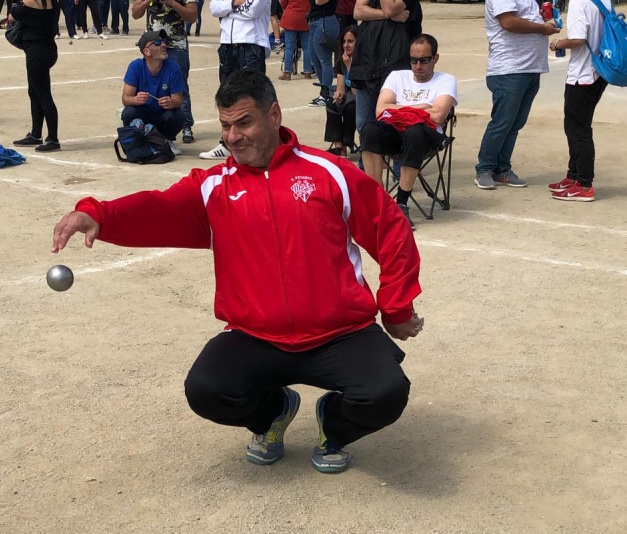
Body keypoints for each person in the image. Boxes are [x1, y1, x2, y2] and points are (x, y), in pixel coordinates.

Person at [51, 69, 422, 474]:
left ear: (274, 115)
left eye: (244, 122)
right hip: (256, 335)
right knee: (206, 390)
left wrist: (396, 307)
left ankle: (333, 424)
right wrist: (97, 215)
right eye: (226, 125)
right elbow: (157, 209)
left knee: (386, 393)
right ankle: (274, 411)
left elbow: (391, 229)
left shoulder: (330, 173)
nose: (232, 136)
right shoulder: (213, 188)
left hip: (338, 333)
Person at [360, 34, 457, 230]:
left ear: (435, 58)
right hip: (395, 131)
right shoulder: (397, 76)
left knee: (415, 132)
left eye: (424, 60)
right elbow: (380, 110)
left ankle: (401, 203)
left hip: (427, 135)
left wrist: (399, 109)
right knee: (369, 129)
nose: (418, 66)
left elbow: (438, 116)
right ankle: (379, 201)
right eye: (413, 60)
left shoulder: (446, 80)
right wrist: (422, 107)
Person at [473, 0, 560, 190]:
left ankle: (502, 169)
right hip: (509, 69)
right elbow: (508, 22)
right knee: (502, 122)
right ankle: (484, 169)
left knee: (514, 124)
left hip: (531, 67)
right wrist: (542, 29)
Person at [547, 0, 610, 202]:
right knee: (574, 126)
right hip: (599, 71)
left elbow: (578, 39)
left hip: (582, 75)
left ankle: (584, 184)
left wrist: (557, 43)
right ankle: (573, 176)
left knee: (578, 130)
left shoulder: (578, 2)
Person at [351, 0, 422, 167]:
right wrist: (384, 15)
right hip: (367, 64)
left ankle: (400, 172)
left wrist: (380, 13)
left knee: (397, 121)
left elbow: (390, 8)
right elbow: (358, 12)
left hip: (396, 65)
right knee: (364, 123)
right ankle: (367, 169)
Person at [199, 0, 271, 160]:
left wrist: (227, 9)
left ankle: (261, 142)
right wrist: (234, 3)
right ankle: (227, 144)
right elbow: (214, 8)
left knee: (255, 97)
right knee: (226, 96)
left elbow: (253, 11)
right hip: (227, 44)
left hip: (251, 43)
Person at [131, 0, 198, 144]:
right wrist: (146, 2)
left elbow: (192, 16)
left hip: (176, 45)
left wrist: (172, 3)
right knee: (151, 84)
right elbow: (135, 14)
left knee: (179, 87)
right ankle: (157, 127)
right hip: (153, 43)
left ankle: (186, 125)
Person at [121, 29, 186, 155]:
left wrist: (171, 103)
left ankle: (166, 140)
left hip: (162, 114)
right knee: (128, 112)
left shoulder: (173, 67)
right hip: (143, 113)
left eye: (163, 42)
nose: (163, 45)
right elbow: (125, 99)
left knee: (178, 116)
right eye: (157, 43)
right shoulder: (136, 66)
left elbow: (178, 100)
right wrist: (136, 99)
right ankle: (141, 139)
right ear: (146, 51)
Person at [10, 0, 61, 152]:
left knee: (44, 96)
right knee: (34, 92)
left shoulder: (27, 4)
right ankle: (36, 133)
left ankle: (53, 138)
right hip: (48, 49)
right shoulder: (53, 3)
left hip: (36, 52)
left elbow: (11, 16)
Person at [324, 25, 360, 158]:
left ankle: (347, 142)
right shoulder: (341, 59)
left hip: (361, 96)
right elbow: (341, 87)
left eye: (350, 41)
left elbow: (358, 92)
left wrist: (350, 66)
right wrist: (338, 95)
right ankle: (339, 147)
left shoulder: (362, 60)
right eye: (344, 41)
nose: (346, 45)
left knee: (351, 107)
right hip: (350, 95)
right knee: (332, 103)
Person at [306, 0, 339, 107]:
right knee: (314, 60)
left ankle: (326, 95)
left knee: (325, 61)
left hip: (325, 22)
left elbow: (319, 1)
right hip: (314, 22)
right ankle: (325, 90)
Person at [278, 0, 312, 81]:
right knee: (307, 47)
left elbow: (283, 4)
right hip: (305, 17)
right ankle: (308, 72)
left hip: (291, 16)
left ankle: (287, 72)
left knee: (289, 46)